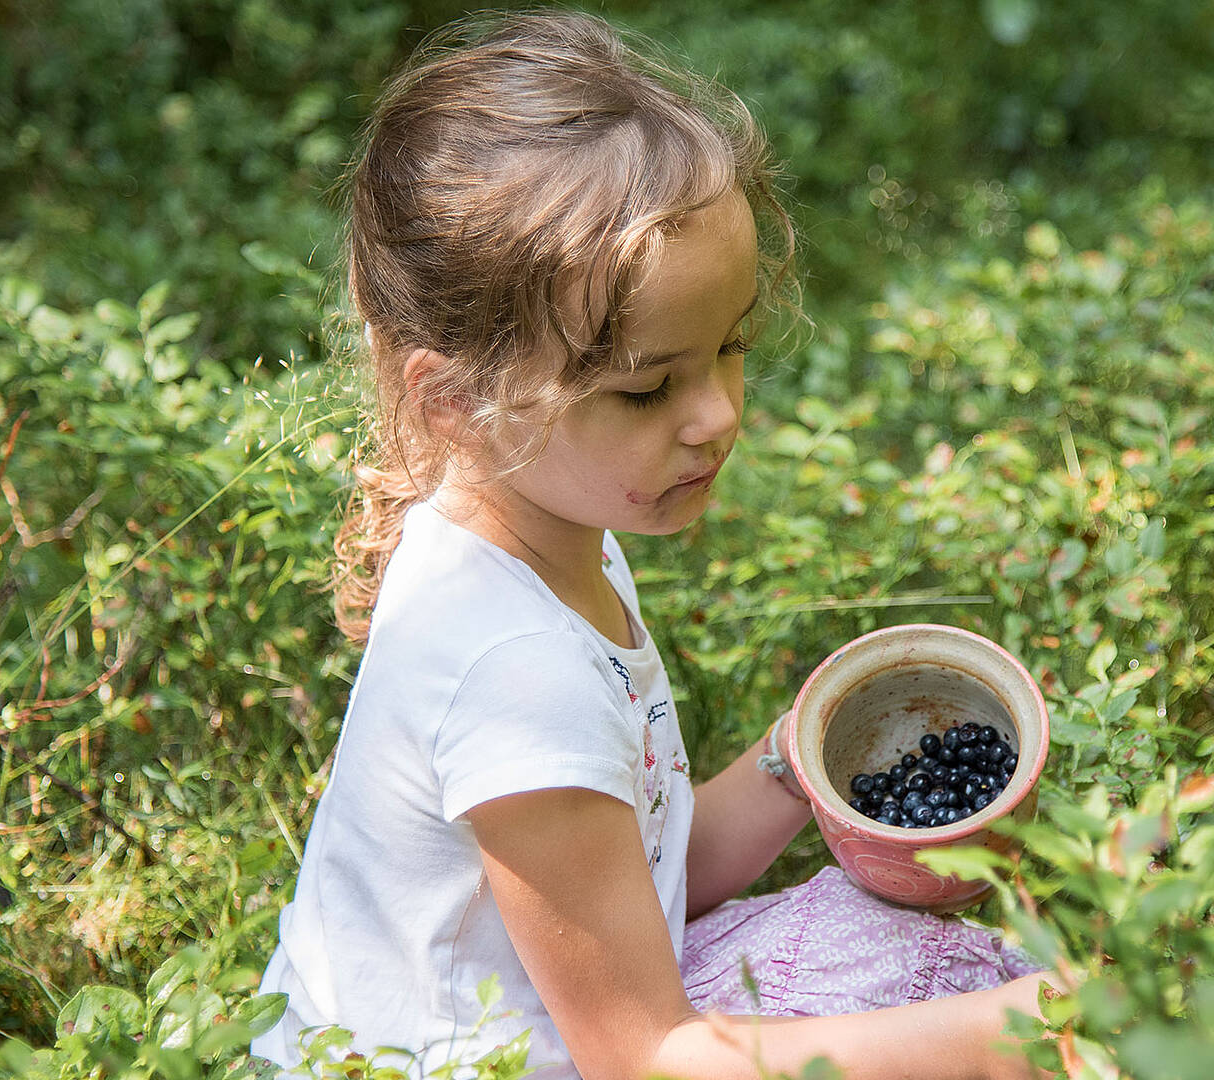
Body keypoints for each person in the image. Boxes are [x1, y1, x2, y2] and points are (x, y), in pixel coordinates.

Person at [252, 10, 1050, 1079]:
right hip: (483, 1063)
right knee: (949, 984)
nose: (717, 413)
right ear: (456, 402)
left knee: (920, 943)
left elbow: (657, 869)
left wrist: (790, 756)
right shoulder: (511, 669)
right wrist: (1011, 1040)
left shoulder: (545, 525)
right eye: (646, 387)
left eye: (730, 348)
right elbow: (647, 1055)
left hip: (577, 1019)